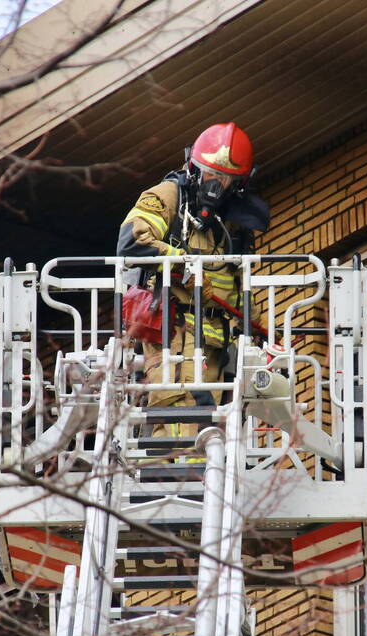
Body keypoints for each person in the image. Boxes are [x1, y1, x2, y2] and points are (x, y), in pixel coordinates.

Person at [117, 122, 269, 440]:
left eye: (224, 179)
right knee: (183, 413)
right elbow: (131, 243)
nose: (215, 185)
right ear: (193, 167)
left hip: (214, 343)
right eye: (209, 174)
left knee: (204, 424)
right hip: (174, 332)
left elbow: (238, 285)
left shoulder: (233, 224)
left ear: (239, 184)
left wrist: (261, 330)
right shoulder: (169, 195)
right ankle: (175, 468)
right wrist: (183, 264)